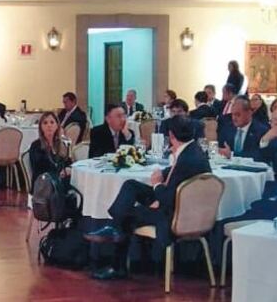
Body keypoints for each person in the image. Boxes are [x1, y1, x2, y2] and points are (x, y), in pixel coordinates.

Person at [84, 116, 211, 279]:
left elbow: (167, 198)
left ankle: (117, 265)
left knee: (127, 215)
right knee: (131, 185)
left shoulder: (186, 158)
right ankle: (113, 228)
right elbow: (177, 174)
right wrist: (163, 174)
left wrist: (157, 184)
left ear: (171, 135)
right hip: (186, 206)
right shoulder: (193, 151)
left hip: (174, 215)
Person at [28, 112, 72, 185]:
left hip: (60, 182)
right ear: (41, 127)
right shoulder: (36, 146)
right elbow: (39, 169)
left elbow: (68, 162)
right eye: (45, 123)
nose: (49, 125)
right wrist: (59, 172)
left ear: (57, 125)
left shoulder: (61, 144)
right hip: (43, 185)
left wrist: (68, 168)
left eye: (52, 122)